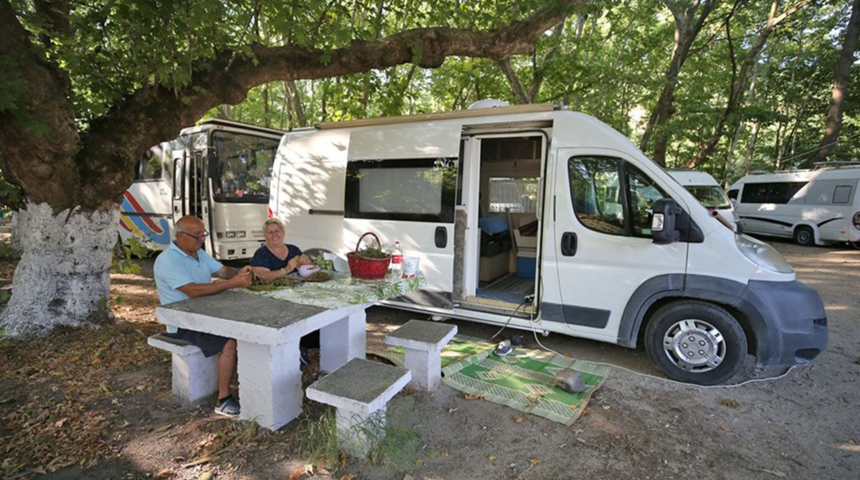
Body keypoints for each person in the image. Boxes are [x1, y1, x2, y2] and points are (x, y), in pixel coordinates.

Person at [154, 216, 253, 417]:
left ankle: (248, 380)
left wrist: (241, 271)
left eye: (203, 234)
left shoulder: (198, 252)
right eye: (197, 235)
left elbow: (223, 271)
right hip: (182, 323)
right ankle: (223, 399)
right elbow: (193, 290)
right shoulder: (168, 261)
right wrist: (233, 283)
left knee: (247, 325)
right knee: (229, 342)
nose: (202, 239)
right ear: (180, 236)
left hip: (206, 314)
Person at [249, 218, 318, 364]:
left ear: (283, 233)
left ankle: (303, 345)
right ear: (265, 235)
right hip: (272, 297)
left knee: (314, 310)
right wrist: (286, 269)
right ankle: (292, 350)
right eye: (270, 232)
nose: (274, 235)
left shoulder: (293, 249)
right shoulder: (261, 254)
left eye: (277, 231)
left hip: (296, 293)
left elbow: (306, 271)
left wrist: (307, 263)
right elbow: (263, 277)